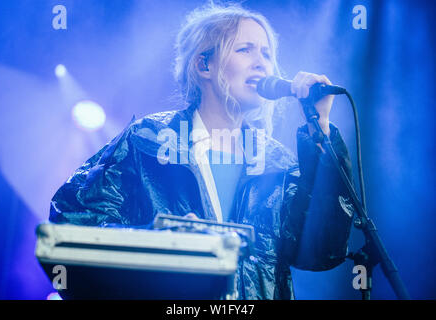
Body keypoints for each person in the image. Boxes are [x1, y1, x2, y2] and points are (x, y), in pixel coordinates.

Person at [49, 3, 354, 300]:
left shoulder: (277, 163)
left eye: (267, 53)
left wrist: (321, 130)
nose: (261, 62)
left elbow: (320, 252)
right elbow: (73, 223)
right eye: (245, 49)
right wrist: (159, 244)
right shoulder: (148, 141)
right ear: (203, 65)